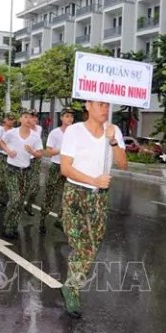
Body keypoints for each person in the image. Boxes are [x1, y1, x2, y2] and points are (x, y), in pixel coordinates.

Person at [58, 100, 127, 319]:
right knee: (82, 246)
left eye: (107, 105)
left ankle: (71, 284)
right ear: (88, 106)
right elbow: (65, 168)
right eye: (100, 105)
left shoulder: (113, 130)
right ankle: (72, 289)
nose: (105, 109)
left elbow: (124, 164)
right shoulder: (74, 131)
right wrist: (93, 180)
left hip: (99, 198)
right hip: (75, 194)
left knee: (93, 245)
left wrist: (113, 142)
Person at [0, 109, 43, 239]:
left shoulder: (35, 136)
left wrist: (32, 152)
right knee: (15, 199)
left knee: (20, 202)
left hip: (26, 171)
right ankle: (7, 224)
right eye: (25, 117)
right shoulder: (12, 133)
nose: (28, 120)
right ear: (20, 119)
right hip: (11, 170)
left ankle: (13, 226)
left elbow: (40, 154)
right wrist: (8, 150)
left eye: (31, 117)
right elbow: (1, 142)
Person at [39, 108, 74, 234]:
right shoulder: (55, 133)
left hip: (70, 168)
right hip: (56, 166)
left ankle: (60, 219)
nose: (70, 119)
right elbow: (48, 151)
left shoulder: (76, 133)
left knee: (68, 195)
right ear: (62, 118)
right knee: (50, 194)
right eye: (67, 116)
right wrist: (62, 149)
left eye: (71, 116)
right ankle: (43, 218)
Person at [25, 111, 43, 215]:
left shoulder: (39, 129)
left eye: (36, 117)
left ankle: (29, 205)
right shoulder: (24, 128)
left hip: (35, 159)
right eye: (32, 117)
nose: (35, 119)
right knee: (23, 184)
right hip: (25, 158)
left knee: (36, 185)